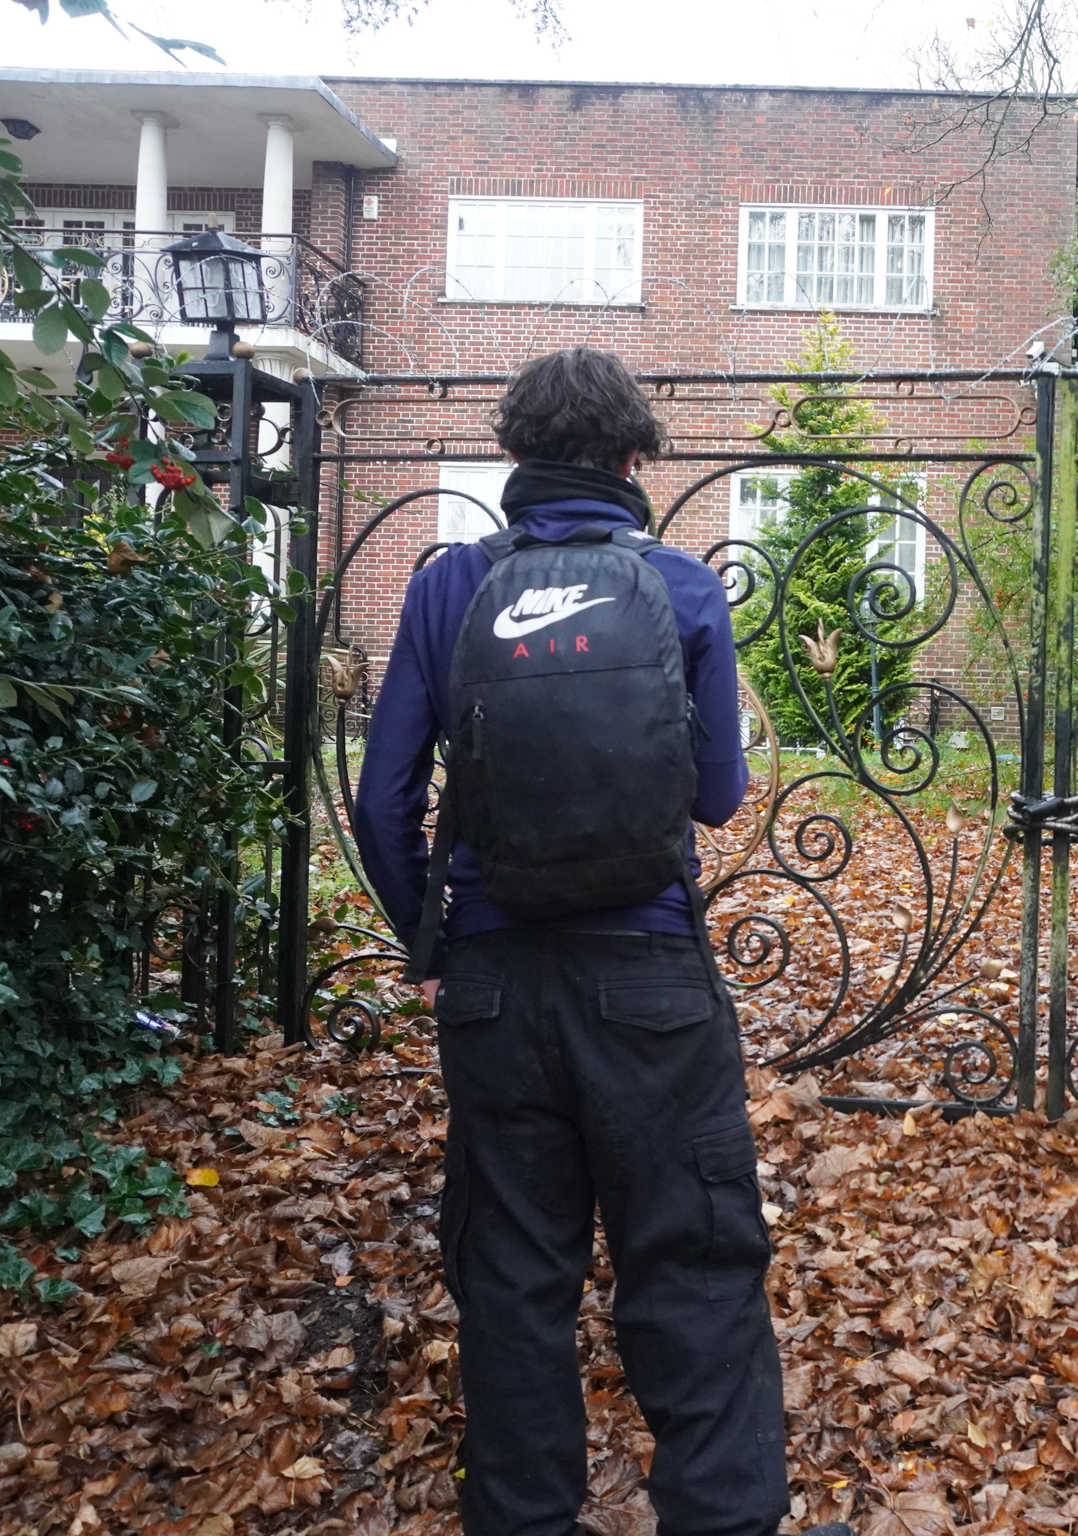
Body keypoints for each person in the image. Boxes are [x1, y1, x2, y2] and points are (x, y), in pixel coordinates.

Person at [356, 347, 831, 1536]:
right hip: (651, 981)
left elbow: (382, 801)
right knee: (695, 1262)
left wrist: (431, 939)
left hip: (497, 991)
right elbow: (718, 795)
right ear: (633, 460)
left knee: (513, 1277)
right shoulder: (679, 586)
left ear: (516, 455)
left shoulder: (447, 586)